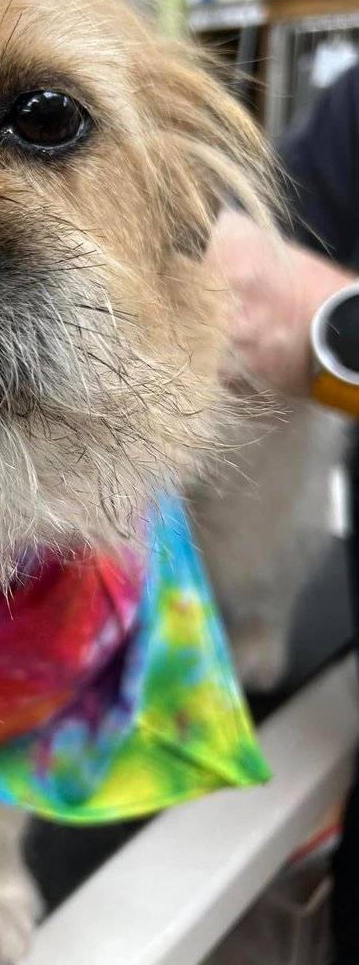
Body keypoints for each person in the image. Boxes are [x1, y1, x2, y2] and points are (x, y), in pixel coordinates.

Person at [206, 61, 359, 963]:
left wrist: (332, 329)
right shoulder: (351, 113)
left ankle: (263, 615)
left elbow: (298, 308)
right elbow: (270, 241)